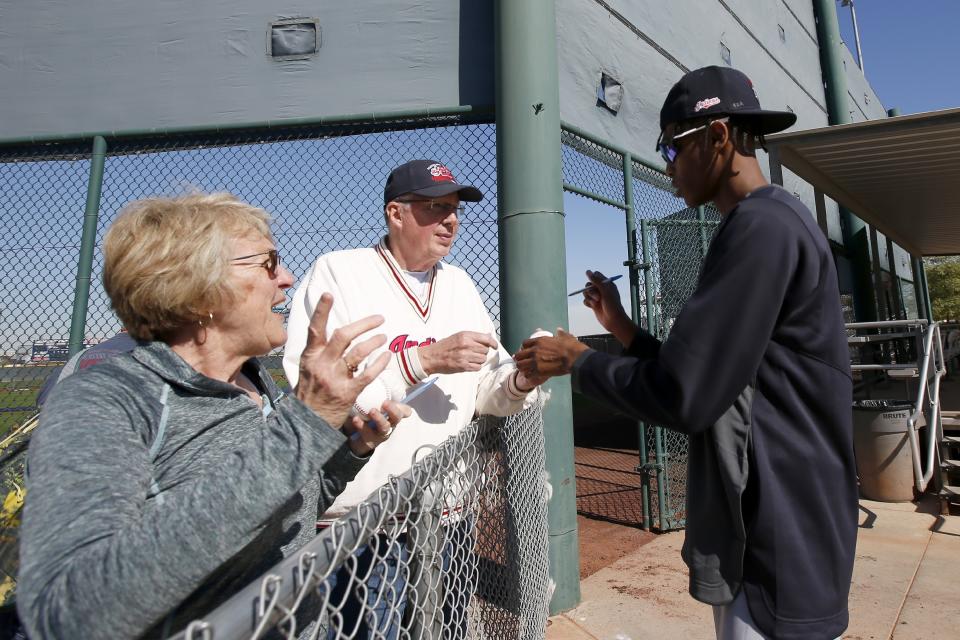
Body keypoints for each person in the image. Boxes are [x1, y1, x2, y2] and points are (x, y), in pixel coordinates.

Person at [515, 66, 857, 640]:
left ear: (719, 137)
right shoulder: (767, 220)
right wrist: (621, 328)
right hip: (778, 524)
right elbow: (710, 375)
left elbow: (686, 397)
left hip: (779, 533)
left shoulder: (761, 226)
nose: (668, 166)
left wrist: (575, 361)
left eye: (673, 147)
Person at [16, 193, 411, 640]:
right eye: (268, 262)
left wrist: (347, 448)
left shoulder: (252, 381)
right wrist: (303, 425)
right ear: (196, 288)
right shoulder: (108, 400)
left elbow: (283, 509)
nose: (286, 278)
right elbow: (71, 616)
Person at [283, 160, 543, 637]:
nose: (452, 220)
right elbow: (323, 395)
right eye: (435, 207)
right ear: (396, 213)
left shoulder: (461, 284)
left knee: (448, 629)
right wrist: (422, 361)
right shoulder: (340, 272)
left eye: (455, 209)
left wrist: (524, 377)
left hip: (449, 515)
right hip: (365, 524)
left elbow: (487, 391)